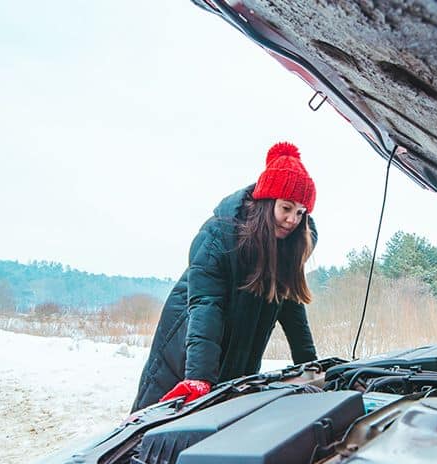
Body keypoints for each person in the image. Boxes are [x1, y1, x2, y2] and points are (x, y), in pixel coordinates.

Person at [131, 142, 318, 411]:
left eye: (301, 212)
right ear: (267, 203)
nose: (292, 220)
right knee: (156, 428)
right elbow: (207, 306)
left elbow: (291, 310)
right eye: (286, 208)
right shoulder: (220, 236)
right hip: (187, 351)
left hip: (240, 353)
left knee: (220, 423)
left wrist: (310, 364)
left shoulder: (286, 248)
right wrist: (198, 377)